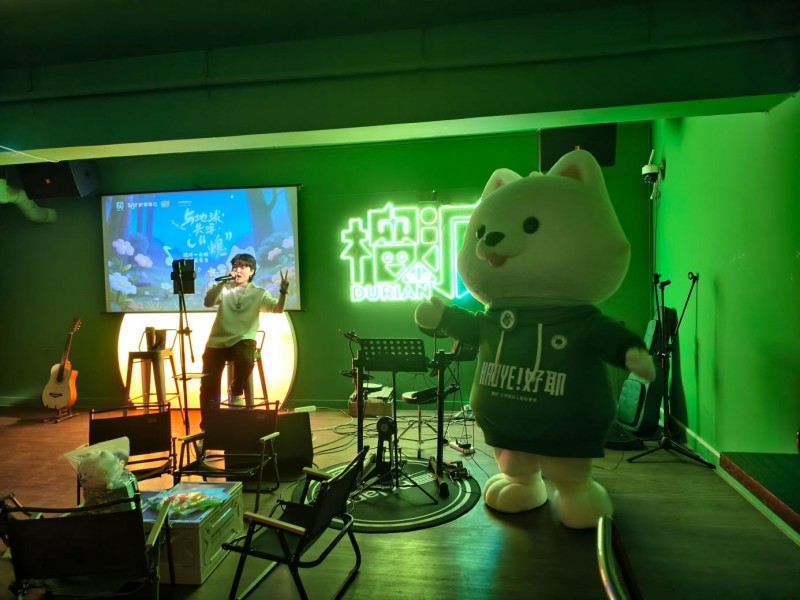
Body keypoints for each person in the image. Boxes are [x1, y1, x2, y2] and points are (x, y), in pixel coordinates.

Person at [199, 253, 288, 426]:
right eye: (235, 266)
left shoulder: (258, 293)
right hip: (217, 341)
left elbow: (277, 309)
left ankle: (236, 389)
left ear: (252, 271)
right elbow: (208, 302)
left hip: (243, 339)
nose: (238, 270)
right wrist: (222, 283)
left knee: (246, 357)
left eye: (243, 266)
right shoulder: (224, 288)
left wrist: (283, 292)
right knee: (208, 384)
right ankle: (209, 424)